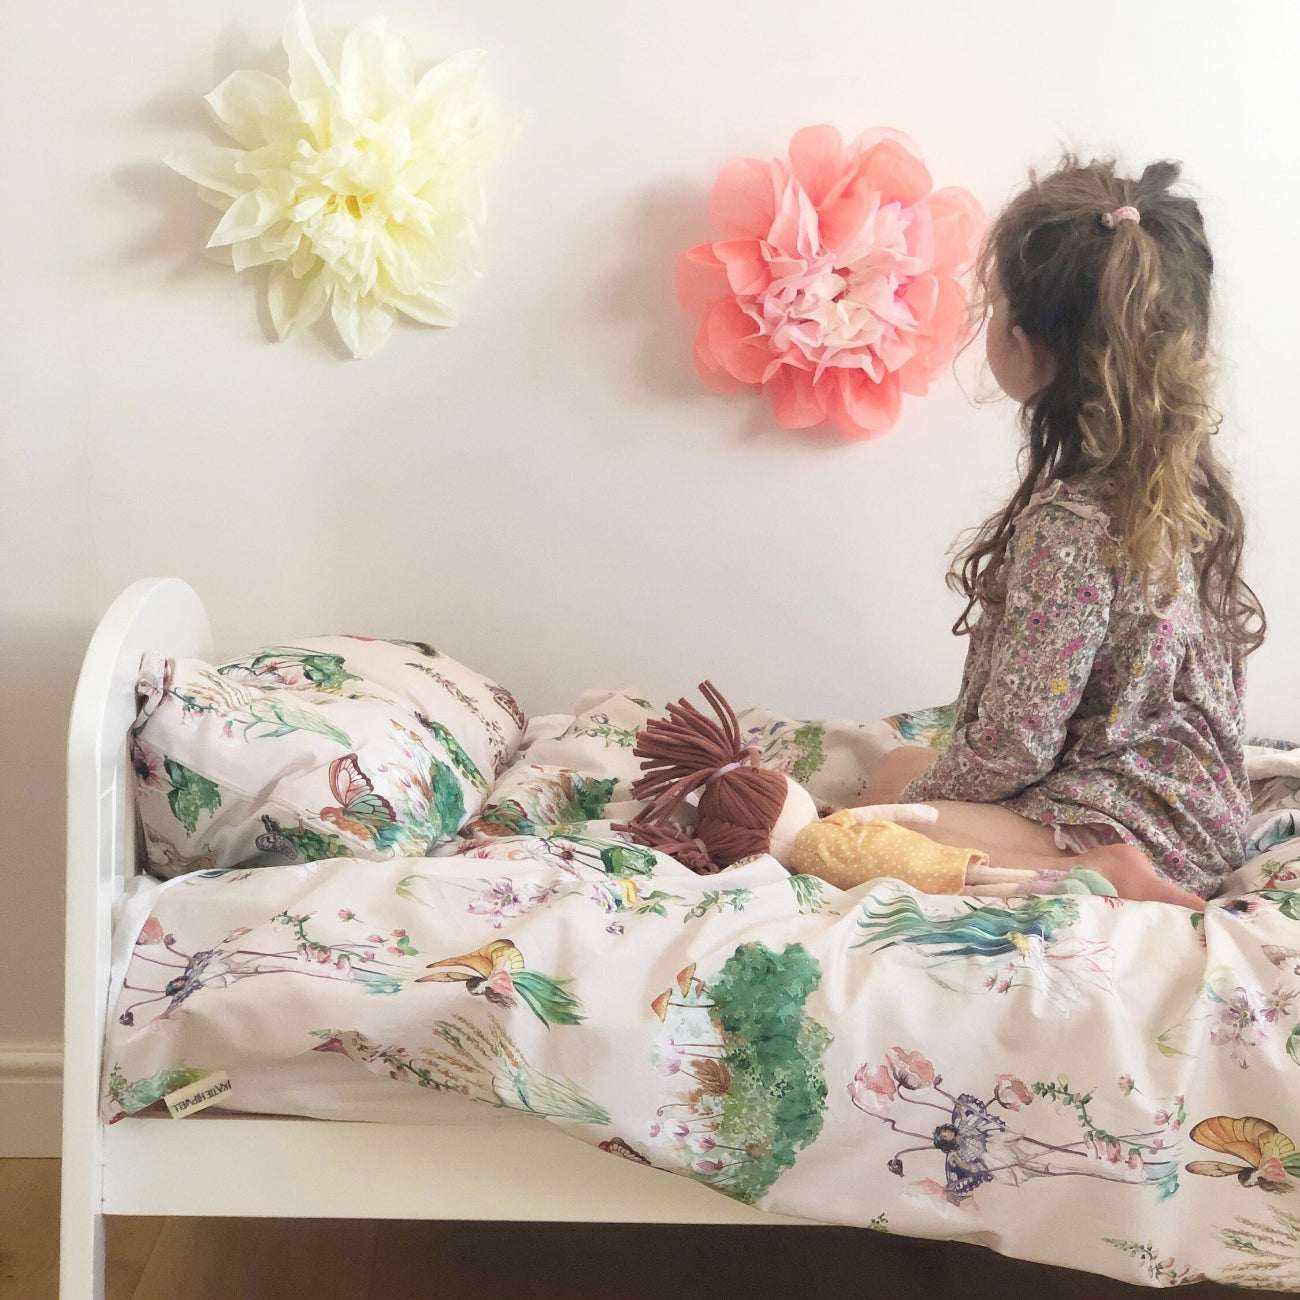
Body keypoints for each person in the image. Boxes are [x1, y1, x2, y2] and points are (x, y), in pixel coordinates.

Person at [861, 157, 1265, 910]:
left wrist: (910, 797)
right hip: (1204, 813)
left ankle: (1106, 875)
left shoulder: (1070, 527)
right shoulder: (1186, 489)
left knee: (867, 825)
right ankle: (1082, 852)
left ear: (1025, 342)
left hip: (1123, 823)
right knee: (893, 771)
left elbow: (1016, 746)